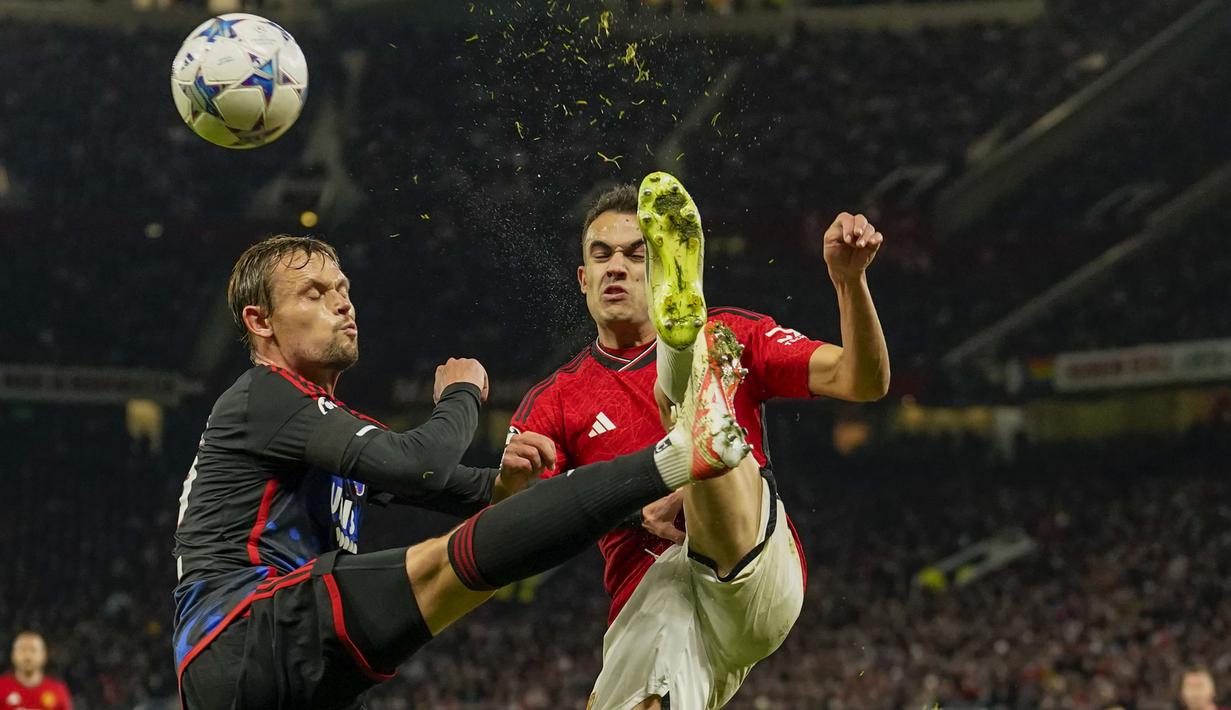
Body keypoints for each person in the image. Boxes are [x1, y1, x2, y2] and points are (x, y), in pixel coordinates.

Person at [172, 235, 750, 709]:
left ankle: (666, 470)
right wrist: (461, 394)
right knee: (447, 567)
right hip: (245, 628)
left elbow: (465, 490)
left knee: (479, 546)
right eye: (314, 293)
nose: (342, 304)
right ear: (261, 321)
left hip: (282, 667)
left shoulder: (314, 423)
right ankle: (681, 453)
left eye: (343, 290)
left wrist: (517, 488)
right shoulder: (264, 394)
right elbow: (422, 465)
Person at [509, 174, 889, 709]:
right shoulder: (556, 400)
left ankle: (696, 416)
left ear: (660, 269)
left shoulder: (733, 333)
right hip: (655, 595)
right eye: (601, 255)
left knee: (700, 370)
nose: (616, 267)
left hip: (749, 565)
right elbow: (517, 527)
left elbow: (863, 380)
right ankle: (699, 432)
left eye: (637, 255)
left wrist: (850, 283)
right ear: (583, 278)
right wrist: (619, 505)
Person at [0, 632, 73, 710]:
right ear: (13, 655)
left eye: (33, 650)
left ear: (44, 655)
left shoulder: (57, 690)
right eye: (22, 650)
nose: (28, 656)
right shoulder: (1, 686)